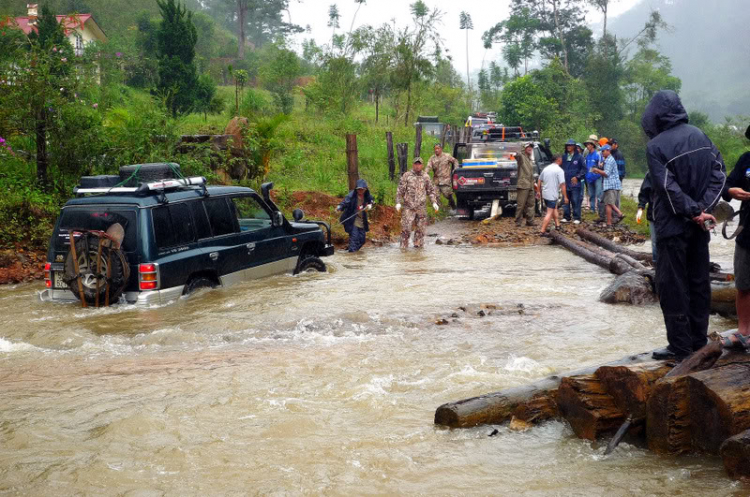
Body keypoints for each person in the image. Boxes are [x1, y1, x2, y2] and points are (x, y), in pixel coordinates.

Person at [642, 90, 726, 361]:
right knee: (699, 282)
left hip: (672, 227)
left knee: (672, 285)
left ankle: (680, 348)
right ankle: (699, 342)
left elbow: (666, 188)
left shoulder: (655, 146)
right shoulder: (701, 136)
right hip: (700, 227)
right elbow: (719, 173)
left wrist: (693, 211)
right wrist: (704, 210)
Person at [720, 124, 750, 348]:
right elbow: (727, 184)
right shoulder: (746, 160)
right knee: (744, 284)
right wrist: (731, 192)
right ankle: (743, 332)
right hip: (747, 232)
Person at [396, 157, 439, 249]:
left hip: (421, 208)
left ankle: (418, 251)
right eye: (416, 164)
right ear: (413, 165)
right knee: (406, 229)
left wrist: (434, 202)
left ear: (422, 165)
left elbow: (430, 191)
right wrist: (398, 202)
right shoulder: (407, 176)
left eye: (419, 164)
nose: (417, 166)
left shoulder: (426, 177)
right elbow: (400, 190)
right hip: (409, 207)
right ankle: (403, 249)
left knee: (420, 230)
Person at [336, 179, 373, 252]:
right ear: (356, 189)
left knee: (362, 240)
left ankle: (351, 252)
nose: (360, 191)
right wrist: (339, 207)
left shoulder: (367, 195)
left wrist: (370, 205)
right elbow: (344, 203)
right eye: (358, 189)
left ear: (365, 189)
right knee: (354, 238)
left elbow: (371, 201)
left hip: (361, 220)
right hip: (351, 220)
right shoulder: (351, 195)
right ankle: (352, 254)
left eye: (362, 189)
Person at [591, 144, 624, 226]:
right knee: (608, 203)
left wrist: (597, 170)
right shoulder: (607, 160)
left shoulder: (609, 160)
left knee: (609, 204)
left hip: (611, 185)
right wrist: (598, 170)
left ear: (608, 151)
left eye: (603, 151)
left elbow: (606, 174)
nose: (602, 153)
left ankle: (615, 217)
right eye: (601, 151)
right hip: (609, 185)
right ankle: (612, 219)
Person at [426, 143, 459, 214]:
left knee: (447, 195)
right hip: (436, 181)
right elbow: (428, 167)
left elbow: (455, 161)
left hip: (445, 181)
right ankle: (439, 211)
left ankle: (454, 207)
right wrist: (425, 174)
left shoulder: (447, 156)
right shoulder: (432, 158)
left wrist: (455, 169)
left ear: (441, 149)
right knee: (435, 196)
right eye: (435, 149)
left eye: (438, 148)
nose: (436, 150)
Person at [538, 155, 568, 235]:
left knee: (554, 208)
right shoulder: (559, 170)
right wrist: (565, 196)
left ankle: (557, 225)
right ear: (558, 159)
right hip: (552, 194)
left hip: (545, 193)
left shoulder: (546, 168)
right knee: (549, 212)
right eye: (561, 159)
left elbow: (539, 180)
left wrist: (538, 191)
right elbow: (562, 184)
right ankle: (542, 231)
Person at [561, 139, 585, 224]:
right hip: (565, 181)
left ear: (574, 146)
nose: (568, 147)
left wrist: (578, 177)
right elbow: (559, 168)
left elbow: (584, 169)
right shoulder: (564, 156)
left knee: (575, 200)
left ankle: (577, 217)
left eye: (570, 145)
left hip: (575, 182)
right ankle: (566, 217)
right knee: (565, 200)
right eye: (567, 145)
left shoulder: (579, 157)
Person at [514, 142, 537, 227]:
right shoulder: (521, 157)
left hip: (530, 184)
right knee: (521, 204)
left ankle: (530, 221)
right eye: (528, 147)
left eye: (531, 147)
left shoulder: (530, 159)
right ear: (524, 148)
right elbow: (517, 156)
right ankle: (518, 222)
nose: (530, 148)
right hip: (523, 184)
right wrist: (520, 150)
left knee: (531, 204)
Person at [636, 172, 657, 264]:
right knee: (655, 241)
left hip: (671, 215)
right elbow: (644, 192)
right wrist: (641, 207)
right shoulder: (651, 173)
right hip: (653, 213)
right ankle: (656, 263)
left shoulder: (674, 170)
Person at [583, 135, 603, 216]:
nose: (588, 146)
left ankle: (600, 210)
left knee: (598, 194)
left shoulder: (598, 154)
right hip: (589, 177)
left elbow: (601, 165)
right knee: (591, 194)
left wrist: (599, 169)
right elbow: (585, 165)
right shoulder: (587, 155)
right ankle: (592, 209)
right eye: (587, 144)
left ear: (593, 145)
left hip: (597, 177)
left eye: (589, 144)